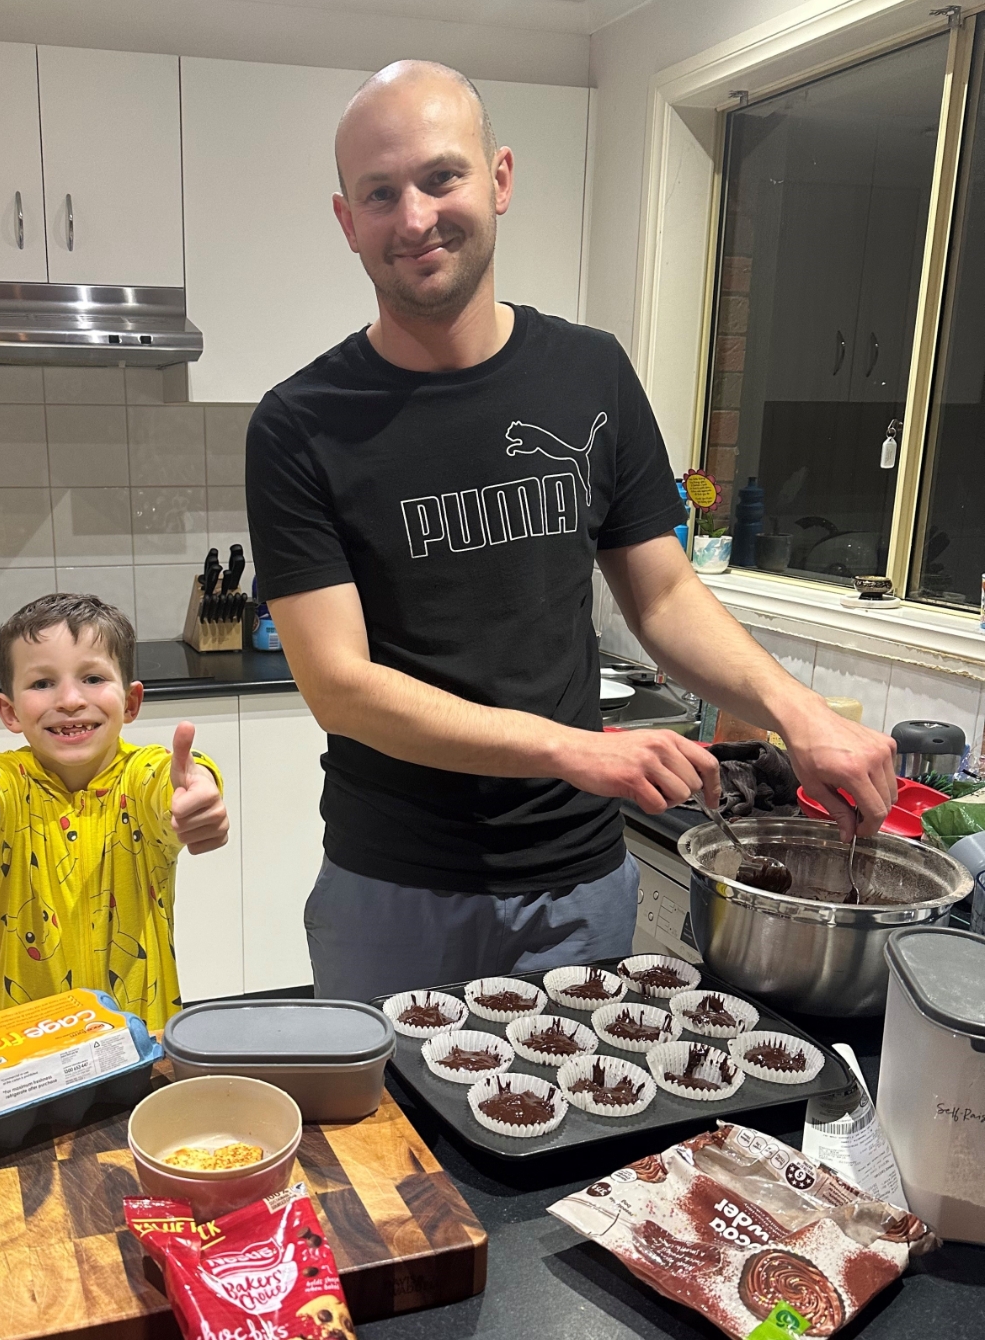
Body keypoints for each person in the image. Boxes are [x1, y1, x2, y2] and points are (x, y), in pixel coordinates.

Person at [245, 60, 897, 1002]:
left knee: (573, 1145)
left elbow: (664, 592)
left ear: (499, 178)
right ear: (347, 221)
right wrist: (575, 747)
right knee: (385, 1148)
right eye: (379, 194)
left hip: (575, 885)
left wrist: (799, 715)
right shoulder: (300, 422)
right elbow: (341, 687)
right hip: (391, 887)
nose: (415, 217)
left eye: (441, 177)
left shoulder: (589, 373)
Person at [0, 593, 229, 1028]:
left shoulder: (139, 776)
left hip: (142, 1033)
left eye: (92, 678)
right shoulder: (6, 785)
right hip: (30, 1047)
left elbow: (169, 779)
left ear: (130, 703)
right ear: (9, 711)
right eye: (42, 683)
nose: (70, 699)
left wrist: (200, 788)